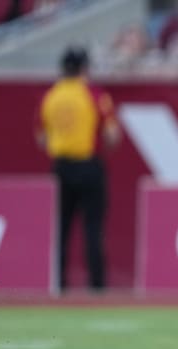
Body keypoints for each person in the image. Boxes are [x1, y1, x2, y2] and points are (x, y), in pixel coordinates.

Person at [35, 46, 121, 292]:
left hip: (61, 167)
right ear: (84, 69)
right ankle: (96, 286)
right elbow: (112, 134)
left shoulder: (50, 96)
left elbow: (41, 138)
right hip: (89, 165)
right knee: (93, 227)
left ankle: (58, 283)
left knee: (60, 228)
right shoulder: (94, 94)